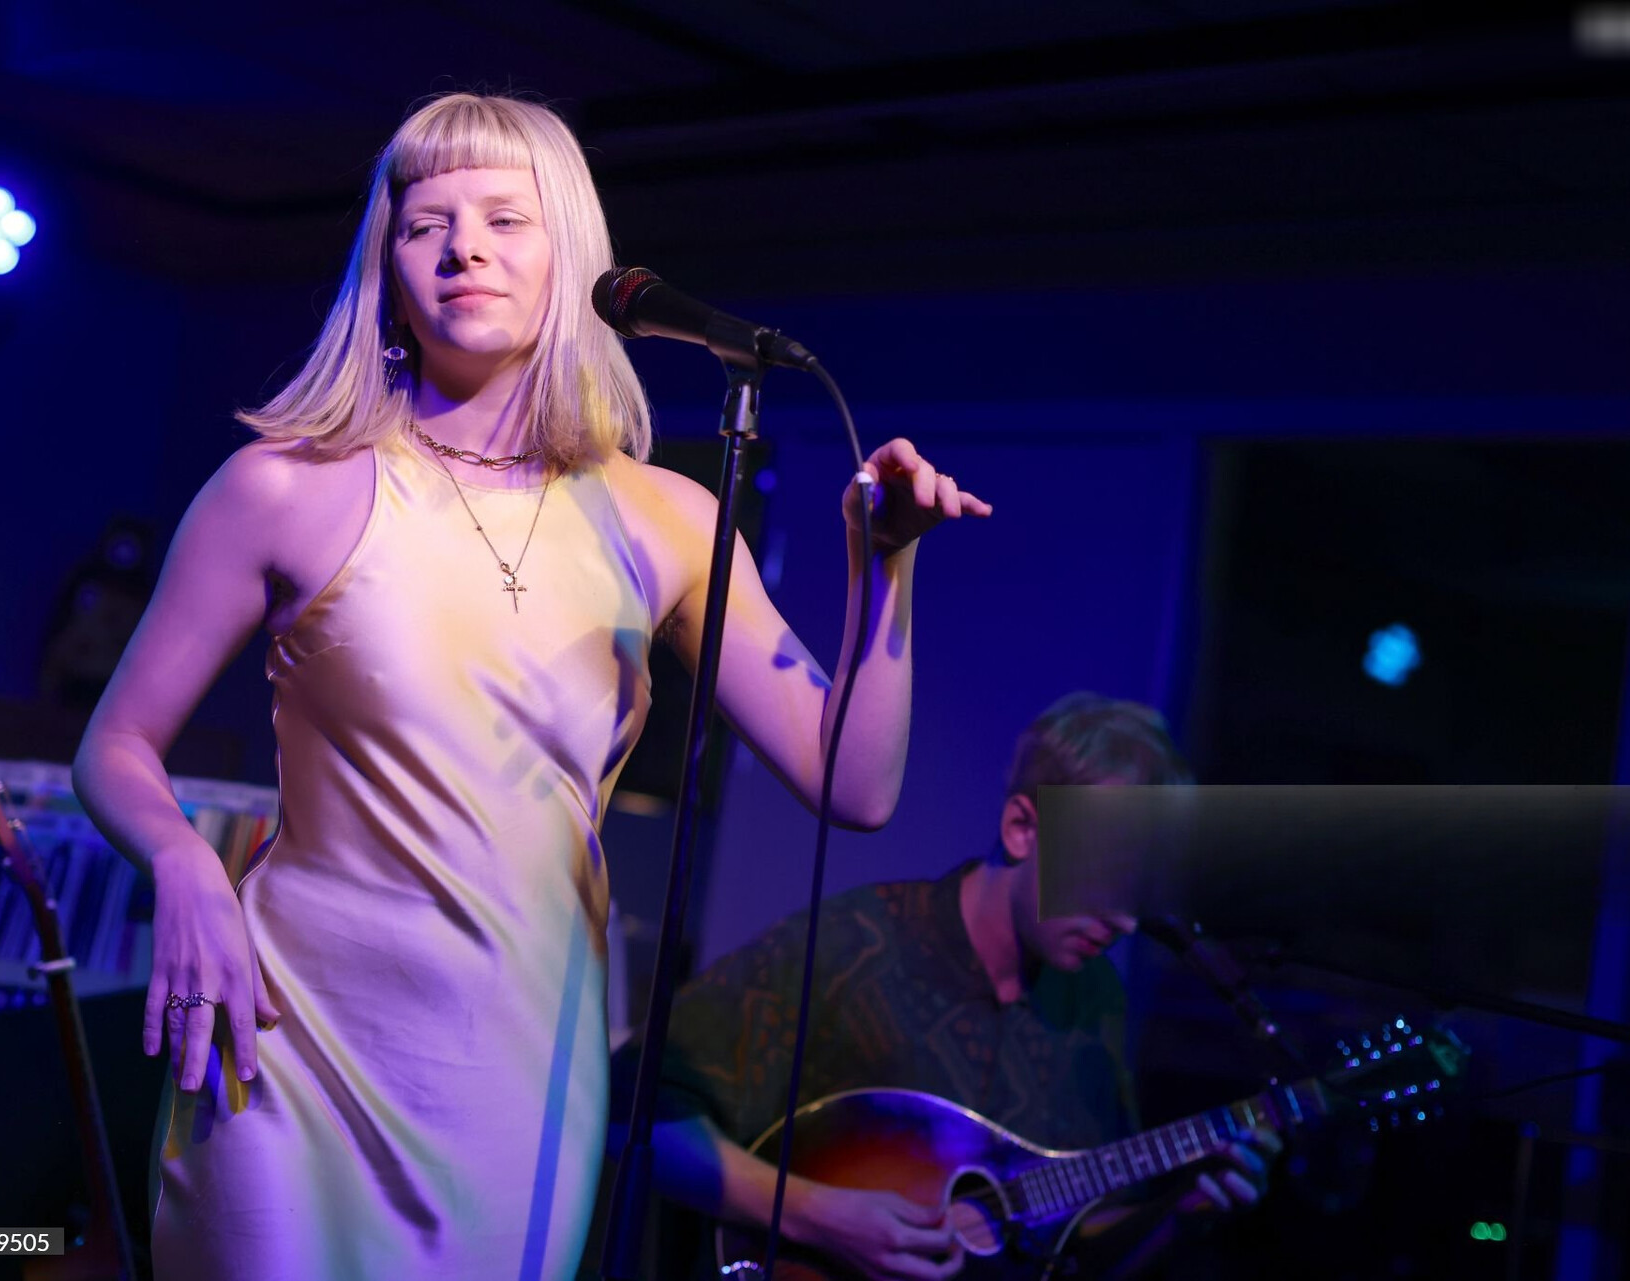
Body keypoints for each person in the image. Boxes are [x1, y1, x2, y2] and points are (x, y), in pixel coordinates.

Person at [70, 91, 988, 1281]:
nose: (465, 248)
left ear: (573, 257)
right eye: (427, 225)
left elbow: (851, 783)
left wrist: (885, 568)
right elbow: (115, 746)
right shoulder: (285, 487)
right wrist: (186, 865)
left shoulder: (665, 517)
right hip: (289, 1040)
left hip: (521, 1064)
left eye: (506, 219)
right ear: (388, 266)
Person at [646, 693, 1281, 1280]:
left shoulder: (1096, 1003)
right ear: (1022, 829)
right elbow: (640, 1112)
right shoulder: (855, 946)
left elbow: (1073, 1233)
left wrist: (1176, 1214)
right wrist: (816, 1214)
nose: (1125, 922)